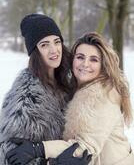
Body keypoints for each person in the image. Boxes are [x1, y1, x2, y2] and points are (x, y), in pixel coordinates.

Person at [6, 32, 134, 165]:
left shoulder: (103, 95)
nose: (85, 64)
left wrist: (39, 150)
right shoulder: (77, 88)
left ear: (103, 65)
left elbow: (85, 149)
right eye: (80, 57)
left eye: (94, 60)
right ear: (72, 59)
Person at [0, 13, 90, 165]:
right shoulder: (26, 99)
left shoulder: (69, 79)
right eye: (44, 45)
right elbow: (8, 156)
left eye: (56, 41)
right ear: (35, 52)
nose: (54, 50)